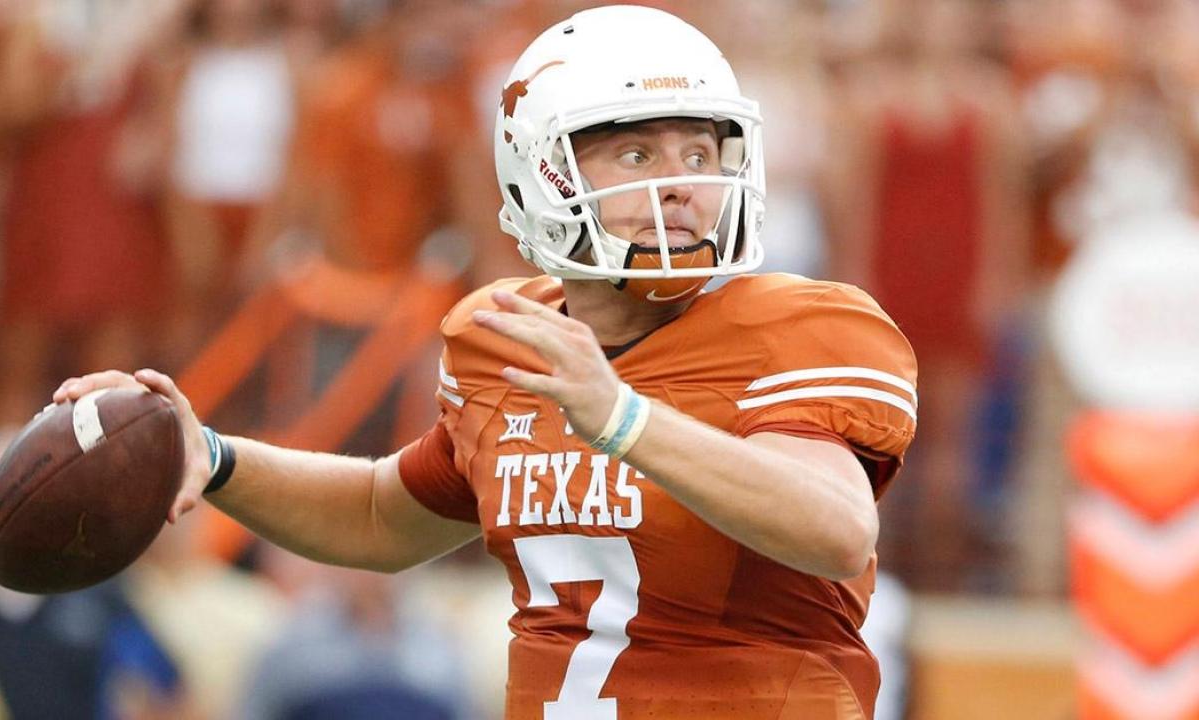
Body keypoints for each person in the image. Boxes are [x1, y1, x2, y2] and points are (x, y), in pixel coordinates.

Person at [54, 6, 917, 719]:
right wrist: (216, 458)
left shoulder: (794, 326)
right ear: (542, 173)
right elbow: (380, 515)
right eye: (638, 153)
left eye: (700, 152)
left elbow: (837, 531)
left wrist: (624, 420)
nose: (682, 182)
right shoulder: (510, 340)